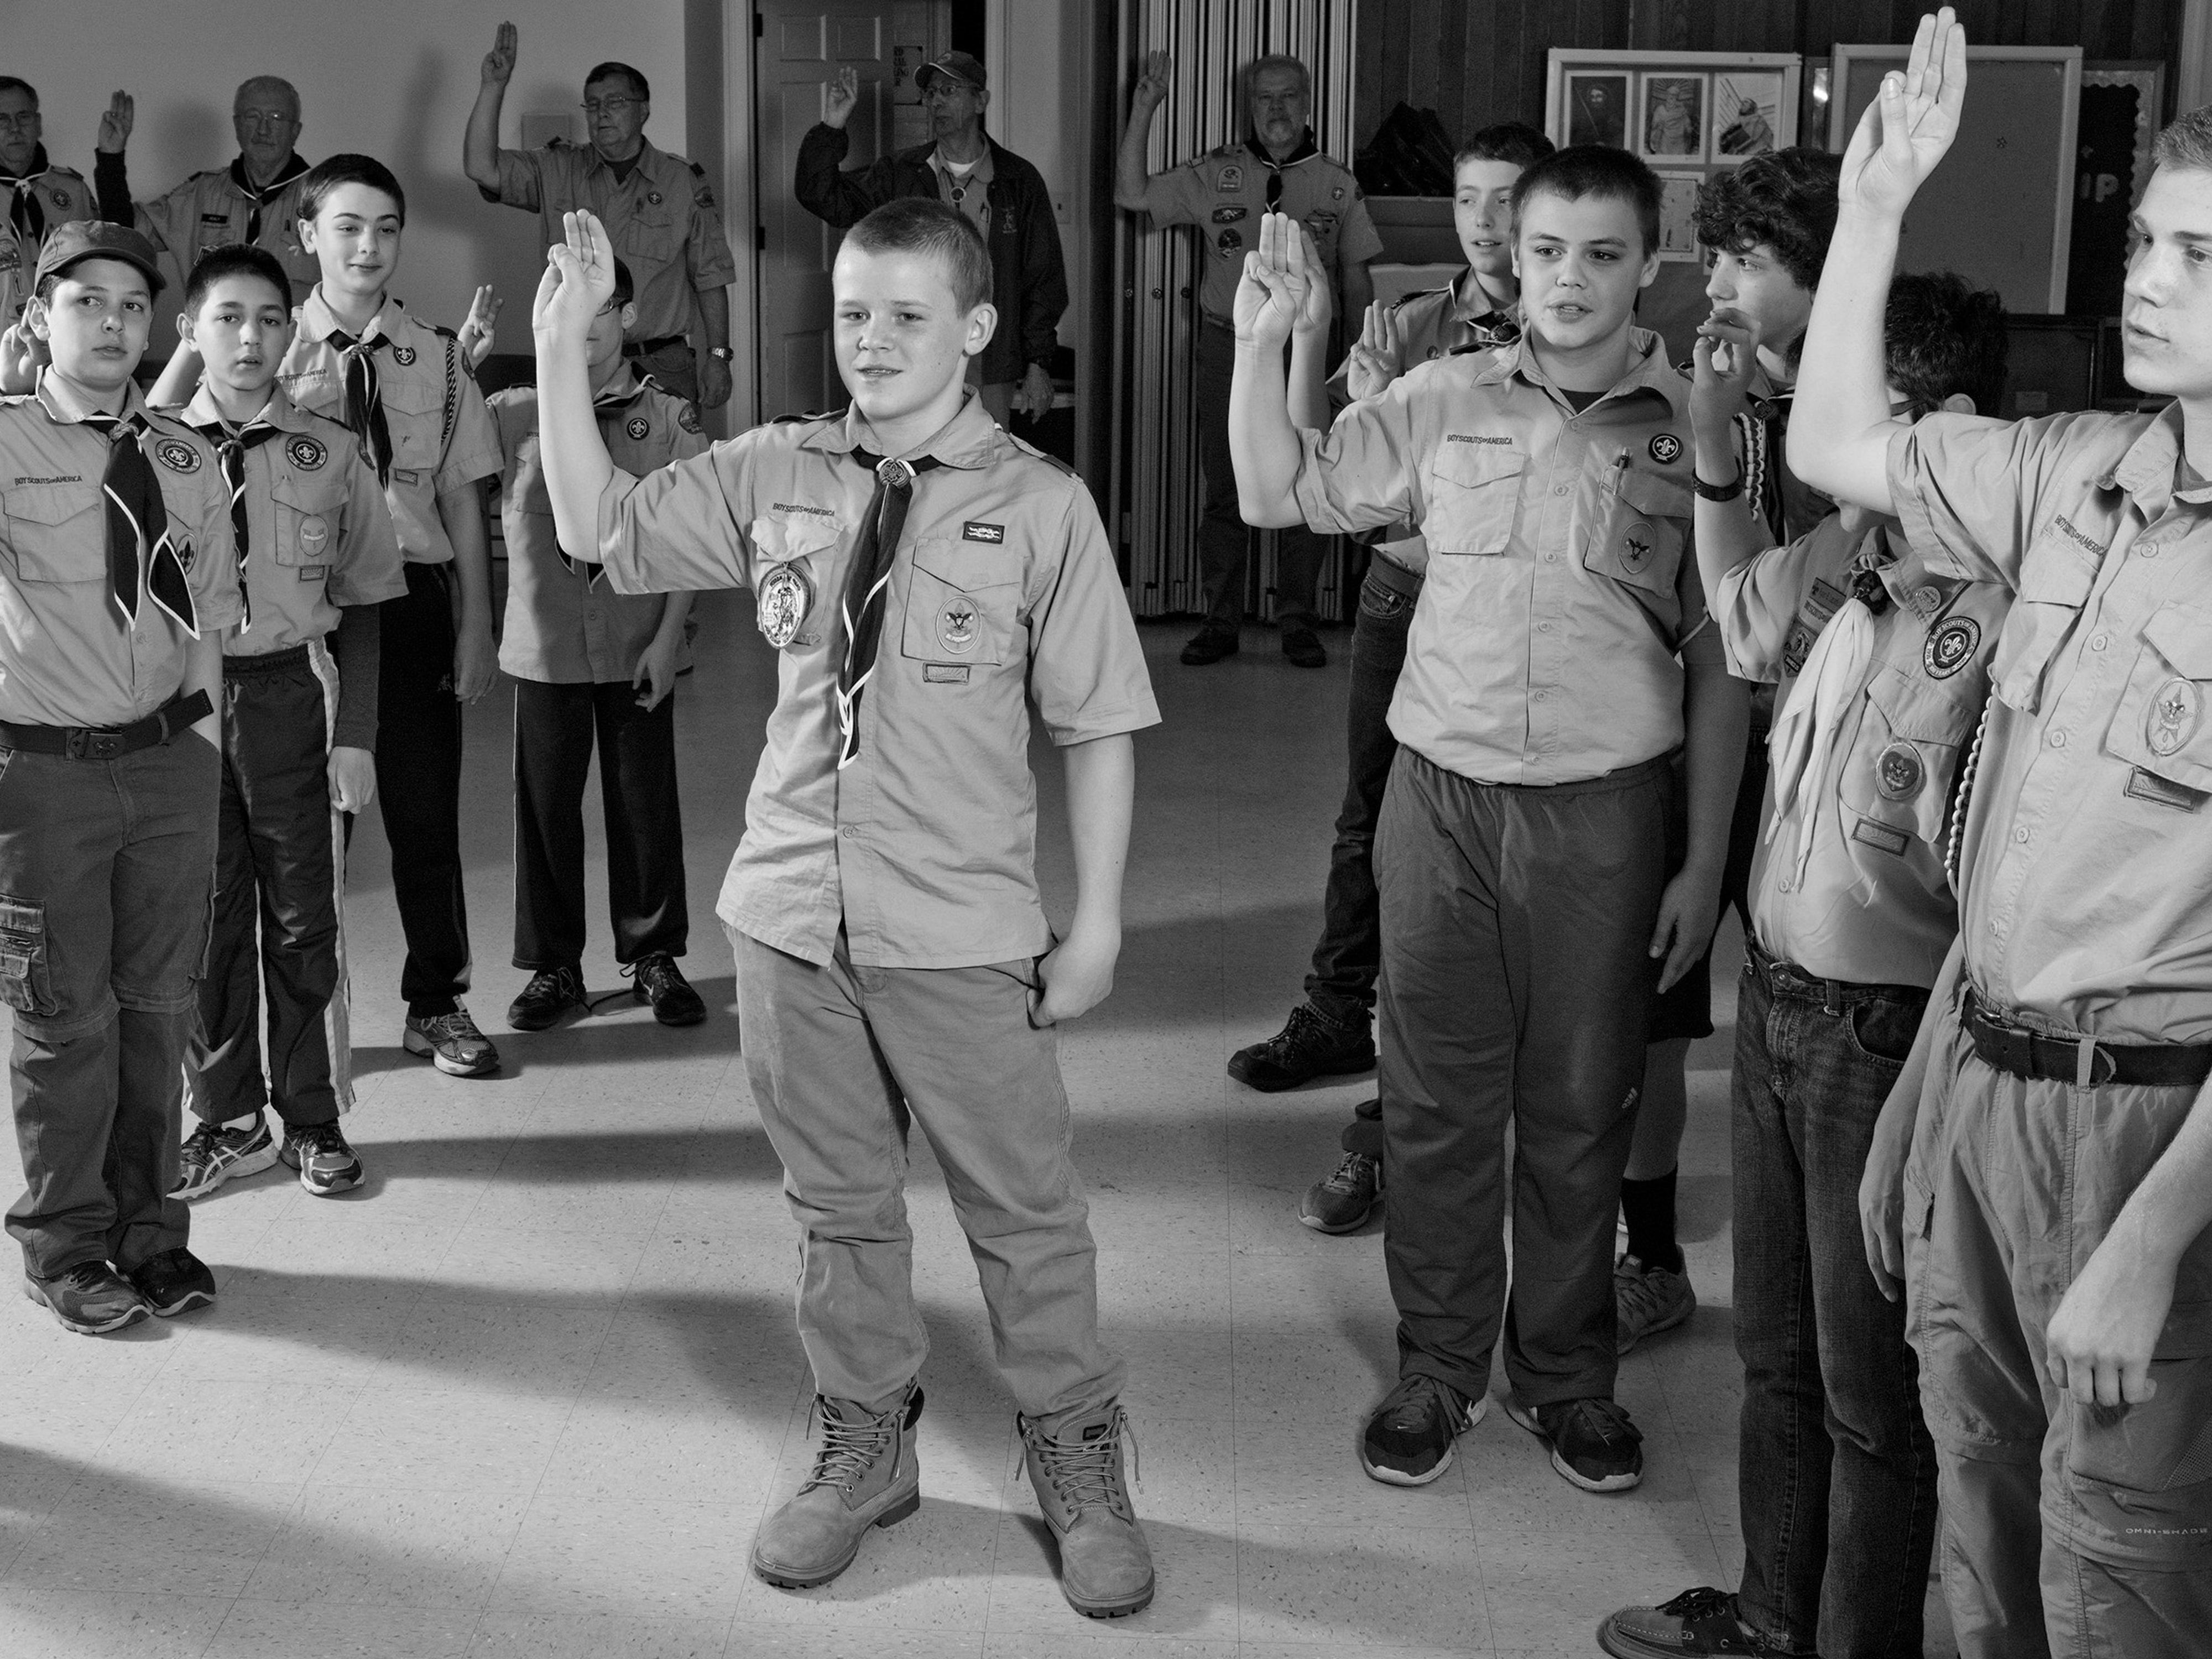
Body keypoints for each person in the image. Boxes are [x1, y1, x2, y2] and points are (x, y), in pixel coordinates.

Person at [531, 197, 1160, 1616]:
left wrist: (1101, 918)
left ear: (977, 330)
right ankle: (864, 1439)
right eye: (854, 313)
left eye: (907, 316)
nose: (872, 341)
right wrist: (563, 349)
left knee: (1025, 1210)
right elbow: (595, 525)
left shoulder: (1041, 505)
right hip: (792, 915)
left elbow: (1100, 725)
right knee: (837, 1205)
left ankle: (1075, 1444)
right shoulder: (779, 468)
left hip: (958, 925)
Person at [1229, 149, 1741, 1497]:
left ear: (1650, 263)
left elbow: (1715, 657)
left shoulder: (1693, 429)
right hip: (1441, 802)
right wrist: (1264, 342)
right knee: (1439, 1104)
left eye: (1603, 254)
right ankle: (1439, 1369)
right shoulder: (1439, 396)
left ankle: (1566, 1380)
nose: (1569, 280)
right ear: (1512, 257)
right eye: (1547, 251)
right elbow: (1274, 490)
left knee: (1582, 1105)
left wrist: (1699, 857)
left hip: (1608, 812)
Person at [1797, 12, 2212, 1651]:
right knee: (1975, 1524)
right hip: (1979, 1078)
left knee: (2119, 1568)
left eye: (2200, 251)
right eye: (2146, 241)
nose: (2151, 276)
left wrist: (2155, 1241)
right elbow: (1833, 446)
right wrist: (1874, 211)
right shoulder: (2073, 472)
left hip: (2147, 1135)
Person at [1599, 268, 2011, 1659]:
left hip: (1882, 1033)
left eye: (1851, 402)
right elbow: (1740, 616)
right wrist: (1716, 453)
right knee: (1770, 1355)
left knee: (1865, 1391)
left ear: (1940, 417)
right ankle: (1775, 1615)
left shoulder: (2005, 608)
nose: (1813, 428)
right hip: (1776, 1004)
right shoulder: (1843, 545)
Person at [1218, 121, 1549, 1214]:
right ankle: (1337, 1015)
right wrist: (1289, 339)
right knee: (1376, 817)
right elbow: (1319, 474)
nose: (1491, 225)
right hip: (1405, 602)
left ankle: (1503, 1089)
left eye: (1512, 201)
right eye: (1470, 203)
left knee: (1503, 847)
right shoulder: (1406, 330)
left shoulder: (1588, 340)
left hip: (1521, 625)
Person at [1606, 145, 1850, 1353]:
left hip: (1839, 768)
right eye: (1711, 253)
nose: (1715, 282)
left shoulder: (1869, 402)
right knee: (1676, 992)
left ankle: (1840, 1290)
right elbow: (1727, 615)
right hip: (1731, 740)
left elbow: (1757, 609)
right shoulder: (1736, 387)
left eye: (1745, 261)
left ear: (1824, 271)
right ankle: (1650, 1253)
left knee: (1828, 1016)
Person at [0, 222, 239, 1332]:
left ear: (156, 326)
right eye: (84, 301)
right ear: (40, 315)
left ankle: (151, 1236)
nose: (109, 323)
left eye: (131, 306)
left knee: (157, 1010)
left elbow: (205, 618)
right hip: (43, 776)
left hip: (168, 768)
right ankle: (65, 1244)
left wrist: (204, 756)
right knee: (65, 1016)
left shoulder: (186, 458)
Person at [161, 243, 406, 1200]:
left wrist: (358, 736)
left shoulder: (333, 451)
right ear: (190, 333)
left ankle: (312, 1114)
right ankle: (226, 1119)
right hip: (181, 704)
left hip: (291, 694)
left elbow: (373, 602)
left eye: (269, 319)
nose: (251, 338)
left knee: (305, 919)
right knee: (202, 917)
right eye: (228, 319)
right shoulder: (147, 454)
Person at [276, 155, 506, 1078]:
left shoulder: (439, 358)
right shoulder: (265, 348)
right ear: (308, 235)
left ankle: (437, 1002)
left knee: (424, 816)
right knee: (302, 832)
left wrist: (477, 626)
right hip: (306, 610)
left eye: (385, 228)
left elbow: (462, 503)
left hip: (411, 605)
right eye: (347, 227)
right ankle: (300, 1023)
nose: (368, 247)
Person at [489, 253, 706, 1034]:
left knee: (644, 804)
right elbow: (432, 477)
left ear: (630, 318)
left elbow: (687, 542)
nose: (585, 325)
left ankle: (653, 954)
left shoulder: (669, 420)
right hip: (544, 648)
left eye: (601, 308)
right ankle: (554, 967)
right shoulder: (512, 413)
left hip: (634, 642)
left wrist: (668, 640)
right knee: (544, 809)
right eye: (567, 308)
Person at [1117, 50, 1381, 669]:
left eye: (1289, 96)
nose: (1277, 109)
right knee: (1226, 485)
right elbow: (1129, 193)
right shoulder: (1216, 172)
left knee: (1309, 480)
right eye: (1265, 98)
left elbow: (1355, 273)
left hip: (1307, 350)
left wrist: (1362, 357)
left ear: (1308, 102)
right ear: (1250, 106)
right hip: (1227, 348)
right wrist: (1144, 107)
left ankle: (1297, 620)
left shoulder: (1337, 184)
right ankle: (1220, 620)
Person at [466, 22, 737, 408]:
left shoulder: (682, 182)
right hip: (576, 361)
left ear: (643, 110)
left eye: (615, 103)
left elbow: (710, 276)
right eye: (592, 105)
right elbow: (481, 167)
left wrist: (719, 358)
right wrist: (494, 86)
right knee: (569, 467)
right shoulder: (558, 168)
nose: (601, 114)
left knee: (670, 469)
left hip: (660, 364)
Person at [795, 53, 1067, 431]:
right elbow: (822, 196)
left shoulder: (1018, 180)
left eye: (950, 90)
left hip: (989, 365)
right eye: (931, 92)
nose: (936, 100)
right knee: (912, 470)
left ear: (980, 101)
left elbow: (1042, 275)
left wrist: (1039, 364)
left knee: (981, 473)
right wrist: (832, 127)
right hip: (911, 359)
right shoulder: (901, 174)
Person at [92, 78, 321, 304]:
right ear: (237, 124)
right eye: (253, 116)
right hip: (212, 339)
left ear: (295, 131)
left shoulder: (323, 198)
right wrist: (111, 159)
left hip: (297, 340)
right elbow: (123, 234)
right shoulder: (199, 195)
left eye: (276, 118)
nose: (263, 129)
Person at [0, 79, 100, 330]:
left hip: (70, 334)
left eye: (23, 117)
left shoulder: (73, 190)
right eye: (2, 119)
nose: (14, 129)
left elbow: (100, 266)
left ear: (38, 124)